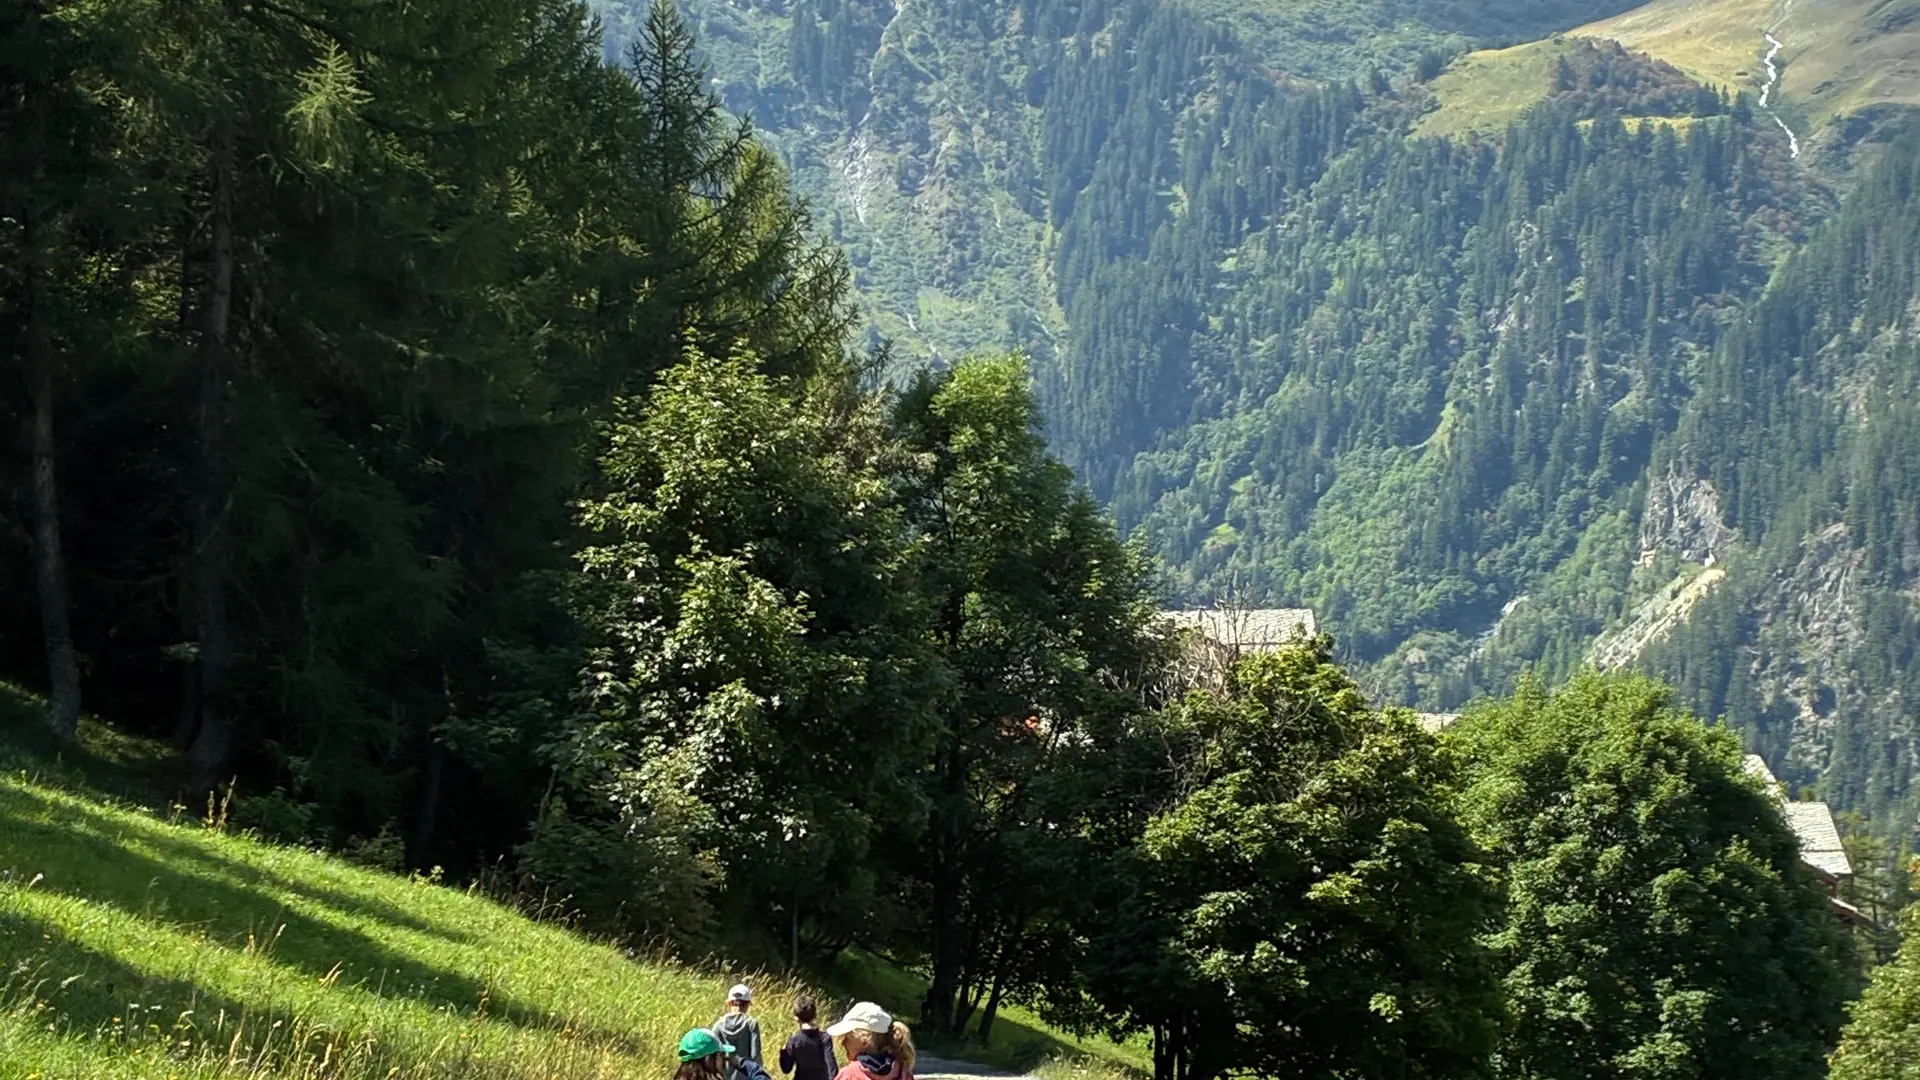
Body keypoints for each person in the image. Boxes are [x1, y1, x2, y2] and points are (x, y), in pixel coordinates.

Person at [826, 1002, 915, 1080]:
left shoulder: (849, 1075)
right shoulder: (903, 1073)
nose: (842, 1043)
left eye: (847, 1038)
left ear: (864, 1041)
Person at [780, 997, 840, 1080]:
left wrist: (783, 1053)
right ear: (814, 1015)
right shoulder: (825, 1038)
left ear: (796, 1018)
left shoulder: (794, 1040)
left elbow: (786, 1069)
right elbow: (832, 1067)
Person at [714, 983, 765, 1080]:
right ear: (748, 1004)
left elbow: (714, 1058)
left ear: (729, 1003)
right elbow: (755, 1056)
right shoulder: (751, 1024)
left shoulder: (718, 1026)